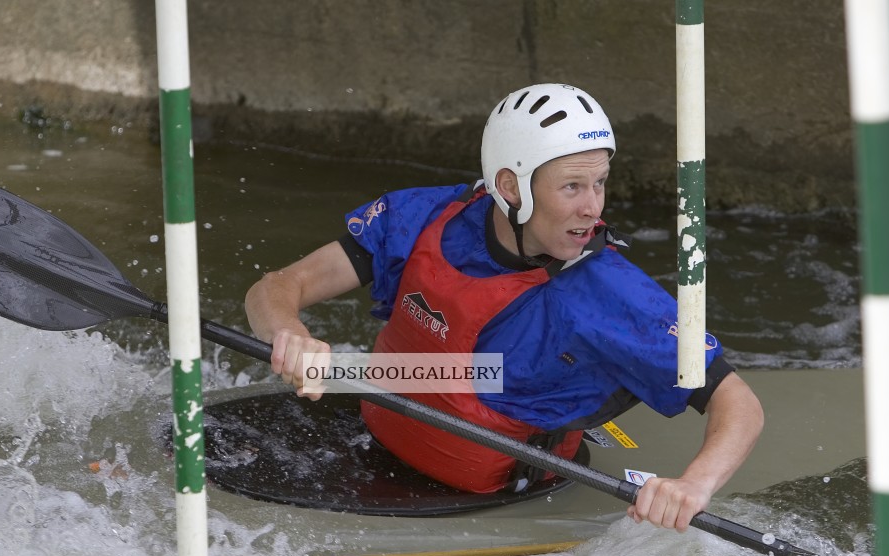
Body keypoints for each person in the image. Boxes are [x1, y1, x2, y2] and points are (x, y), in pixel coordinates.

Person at [245, 83, 764, 533]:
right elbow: (278, 286)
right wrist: (289, 332)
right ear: (510, 186)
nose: (593, 207)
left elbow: (737, 402)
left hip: (493, 495)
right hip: (377, 433)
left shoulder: (610, 294)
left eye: (599, 182)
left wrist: (694, 485)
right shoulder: (425, 216)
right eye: (572, 186)